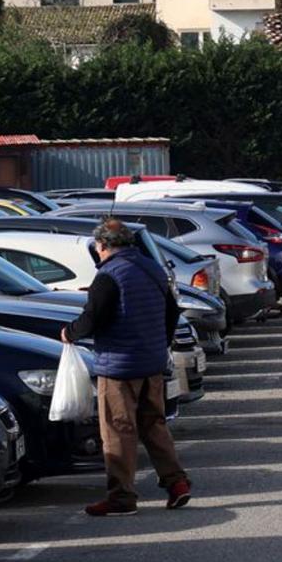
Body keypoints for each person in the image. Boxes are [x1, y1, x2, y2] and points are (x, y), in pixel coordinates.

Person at [63, 219, 191, 517]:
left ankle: (121, 497)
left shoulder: (109, 275)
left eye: (97, 246)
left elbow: (93, 318)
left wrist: (70, 332)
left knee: (119, 431)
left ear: (104, 245)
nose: (97, 251)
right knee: (154, 425)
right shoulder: (152, 268)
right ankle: (177, 483)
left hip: (119, 366)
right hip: (152, 362)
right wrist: (160, 343)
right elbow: (171, 312)